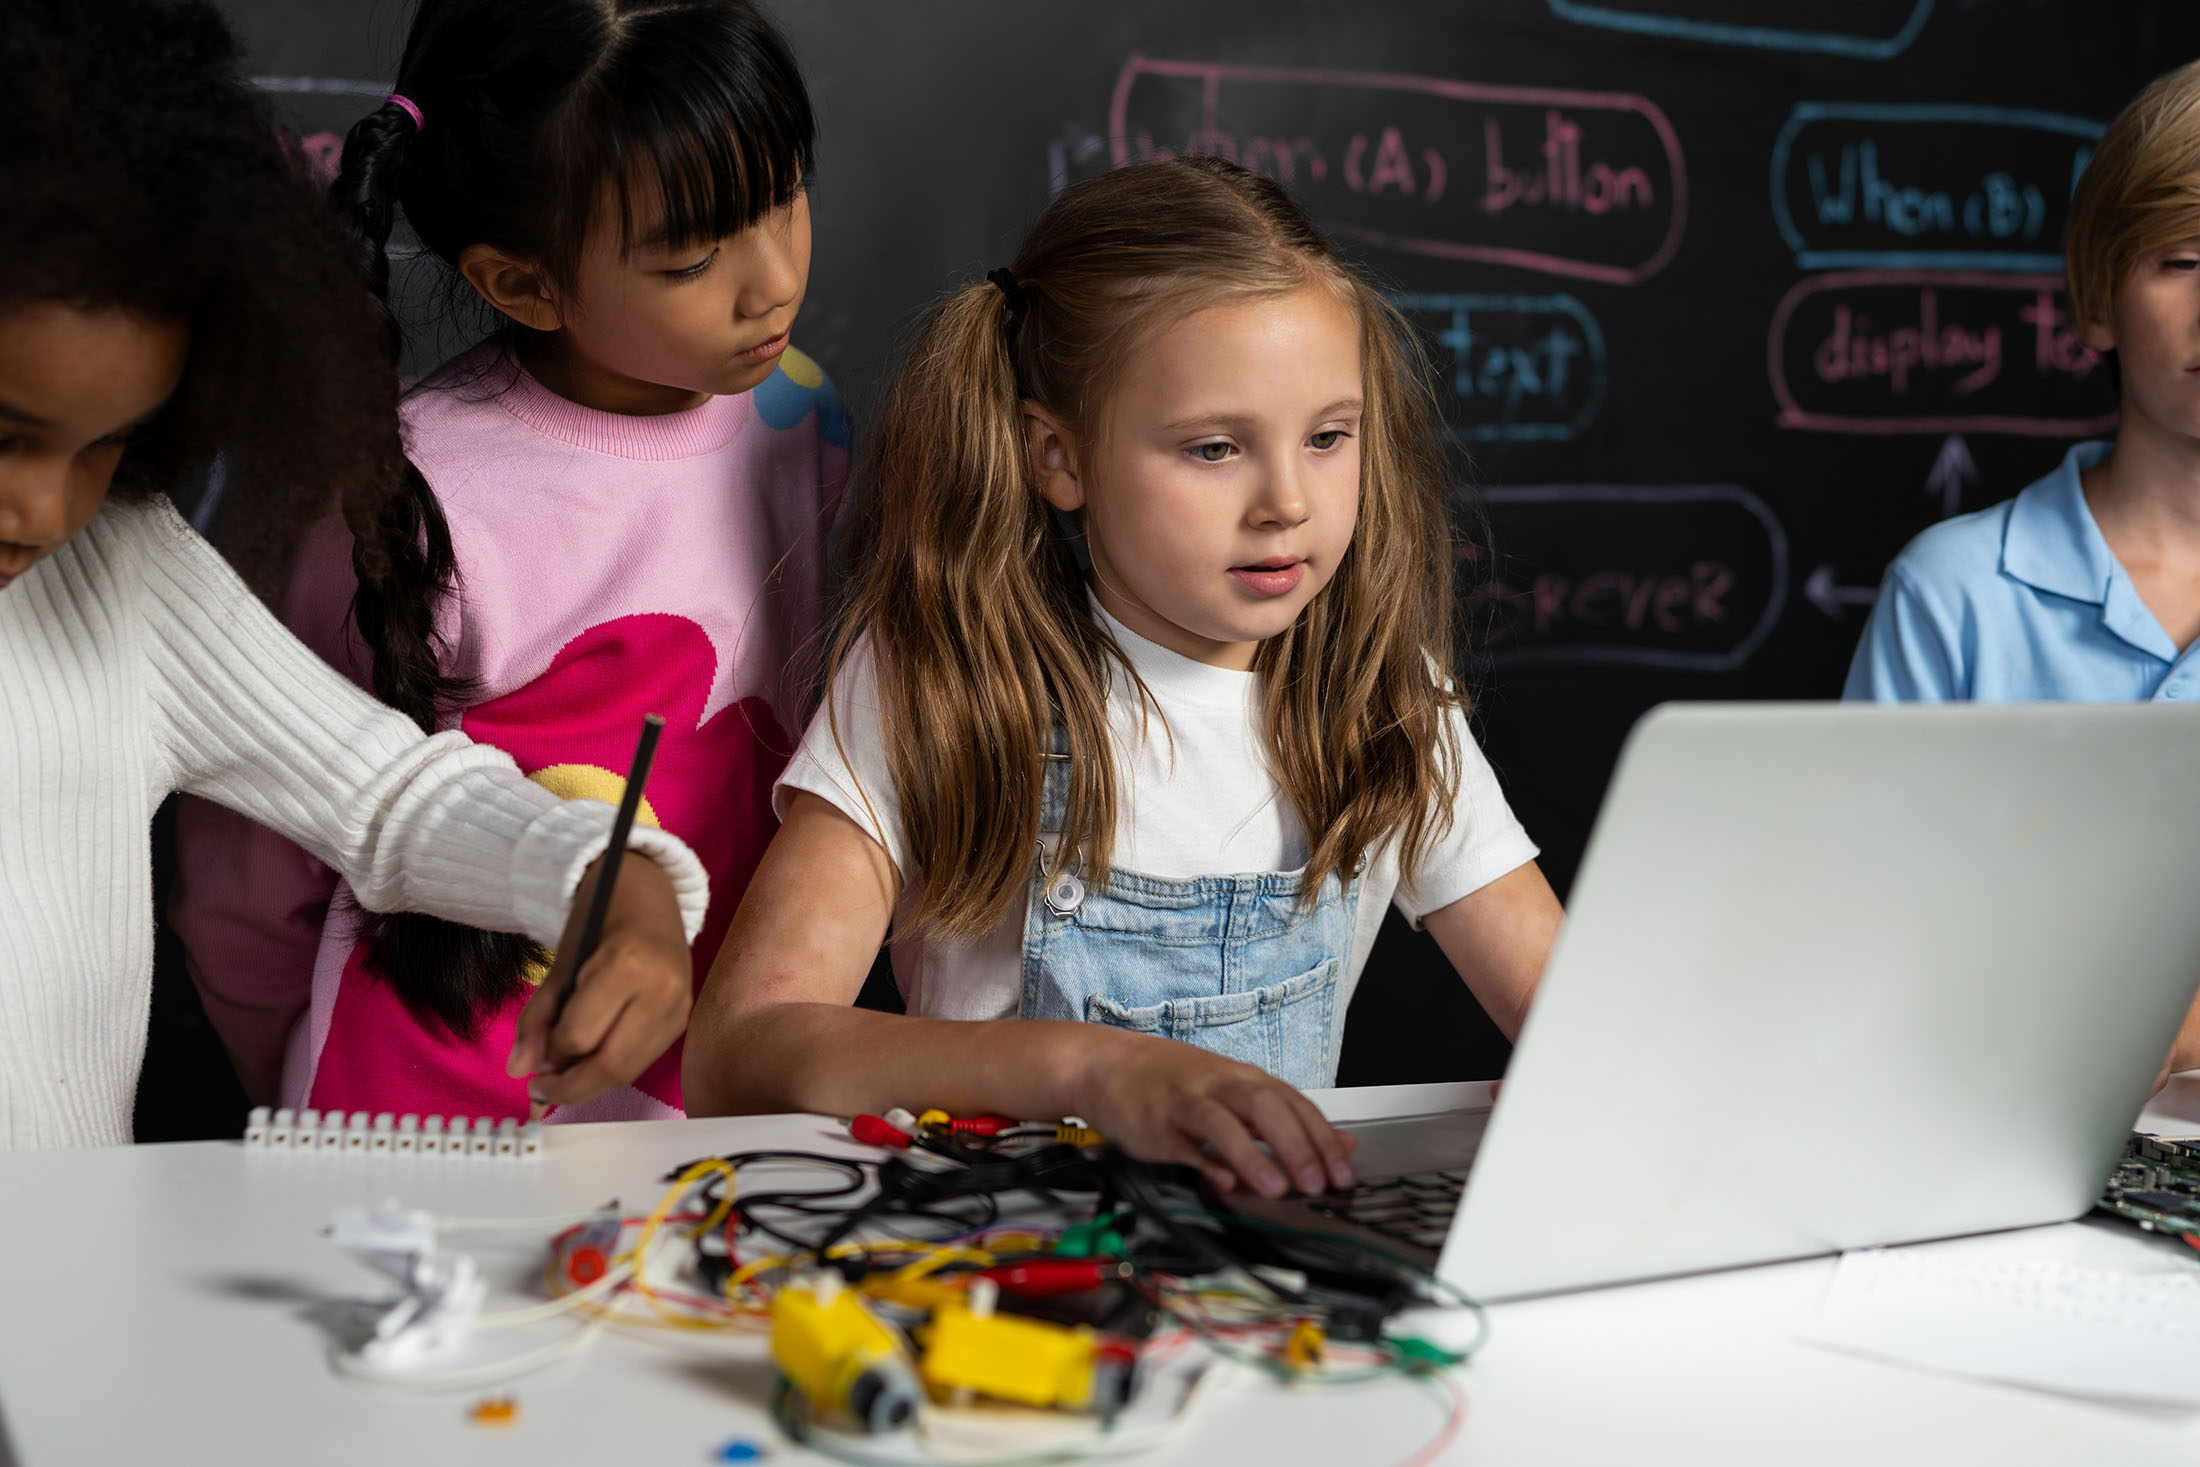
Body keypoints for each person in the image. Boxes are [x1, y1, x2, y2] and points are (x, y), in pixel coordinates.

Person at [683, 158, 1564, 1198]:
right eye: (1215, 448)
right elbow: (738, 1054)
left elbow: (1572, 1018)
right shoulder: (945, 674)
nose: (1287, 501)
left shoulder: (1383, 695)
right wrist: (1089, 1070)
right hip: (1000, 1256)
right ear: (1058, 456)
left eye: (1328, 437)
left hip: (1268, 1267)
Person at [0, 0, 710, 1151]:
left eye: (106, 447)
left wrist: (607, 879)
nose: (45, 509)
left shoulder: (119, 573)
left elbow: (388, 795)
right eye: (6, 436)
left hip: (80, 1257)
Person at [171, 0, 845, 1122]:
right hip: (435, 1115)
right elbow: (252, 876)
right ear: (524, 284)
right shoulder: (408, 500)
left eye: (784, 195)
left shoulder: (798, 412)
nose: (772, 279)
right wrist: (299, 1091)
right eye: (692, 257)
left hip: (705, 1100)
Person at [1846, 57, 2200, 1076]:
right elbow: (1872, 931)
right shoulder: (1953, 595)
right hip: (1993, 1127)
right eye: (2181, 260)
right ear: (2096, 304)